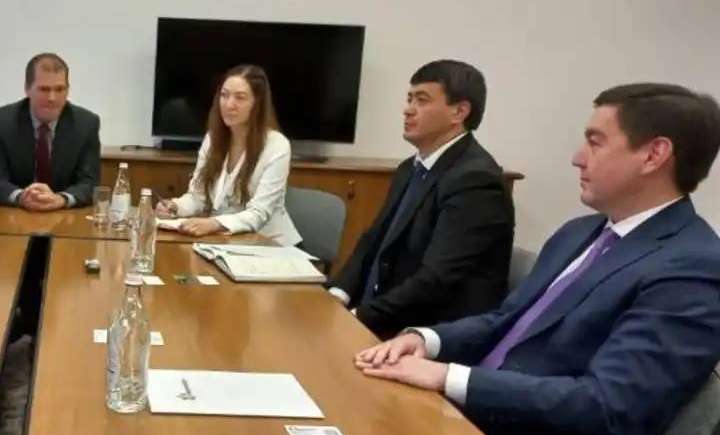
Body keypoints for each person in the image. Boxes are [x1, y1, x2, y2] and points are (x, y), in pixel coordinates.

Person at [355, 83, 720, 435]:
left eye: (595, 141)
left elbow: (604, 404)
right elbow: (506, 323)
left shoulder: (693, 268)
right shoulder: (579, 231)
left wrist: (450, 377)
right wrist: (425, 341)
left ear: (654, 155)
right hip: (472, 429)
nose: (577, 158)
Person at [328, 60, 514, 338]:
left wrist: (357, 318)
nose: (407, 109)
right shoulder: (410, 168)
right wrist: (337, 295)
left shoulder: (476, 180)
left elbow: (436, 280)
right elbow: (373, 241)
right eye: (409, 98)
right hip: (384, 315)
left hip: (425, 334)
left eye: (422, 100)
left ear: (459, 112)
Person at [155, 64, 301, 246]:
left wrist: (213, 223)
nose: (229, 104)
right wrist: (175, 207)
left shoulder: (277, 145)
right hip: (226, 244)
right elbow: (198, 197)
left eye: (240, 98)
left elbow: (259, 213)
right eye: (224, 95)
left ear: (257, 103)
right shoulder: (213, 139)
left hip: (271, 246)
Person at [0, 53, 101, 211]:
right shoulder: (1, 122)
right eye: (44, 89)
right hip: (16, 215)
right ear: (27, 89)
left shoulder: (86, 124)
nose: (52, 98)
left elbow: (90, 183)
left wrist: (61, 199)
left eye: (60, 89)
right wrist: (21, 197)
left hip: (65, 217)